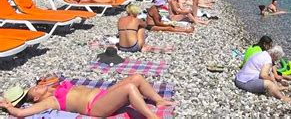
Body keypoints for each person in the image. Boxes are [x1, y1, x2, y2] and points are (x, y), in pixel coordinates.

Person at [0, 74, 175, 118]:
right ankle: (151, 116)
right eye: (34, 89)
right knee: (130, 87)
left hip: (104, 95)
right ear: (36, 98)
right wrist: (9, 107)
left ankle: (158, 100)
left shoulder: (57, 87)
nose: (37, 86)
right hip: (96, 107)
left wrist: (46, 83)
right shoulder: (49, 102)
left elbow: (52, 79)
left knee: (136, 78)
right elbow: (22, 113)